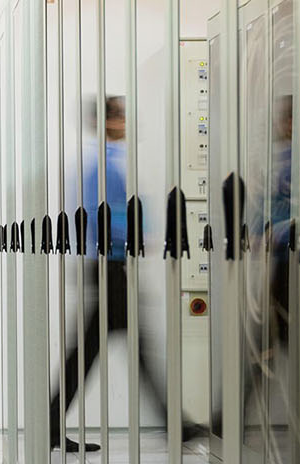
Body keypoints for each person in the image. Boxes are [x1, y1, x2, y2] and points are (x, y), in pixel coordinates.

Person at [48, 96, 209, 452]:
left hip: (112, 266)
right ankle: (174, 425)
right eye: (119, 114)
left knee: (116, 350)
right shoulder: (102, 165)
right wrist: (133, 237)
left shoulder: (111, 161)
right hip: (109, 266)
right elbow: (100, 215)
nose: (125, 120)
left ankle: (52, 421)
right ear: (106, 121)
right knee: (117, 349)